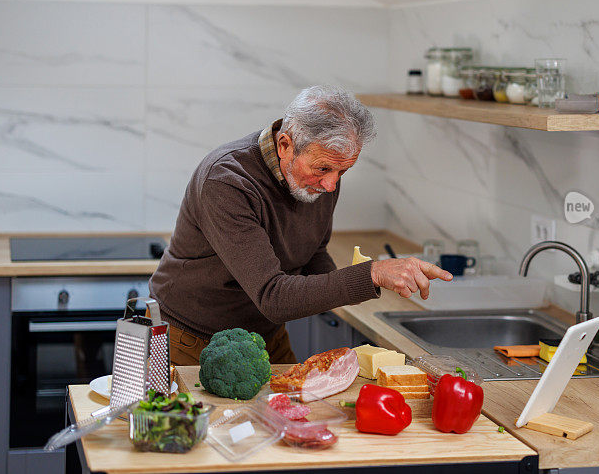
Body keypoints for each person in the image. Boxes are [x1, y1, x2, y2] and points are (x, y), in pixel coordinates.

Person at [149, 85, 452, 365]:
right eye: (324, 168)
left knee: (289, 421)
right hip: (191, 339)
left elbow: (313, 254)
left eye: (342, 171)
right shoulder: (227, 181)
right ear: (285, 145)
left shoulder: (319, 178)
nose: (331, 185)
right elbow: (273, 297)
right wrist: (371, 274)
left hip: (265, 335)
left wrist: (365, 281)